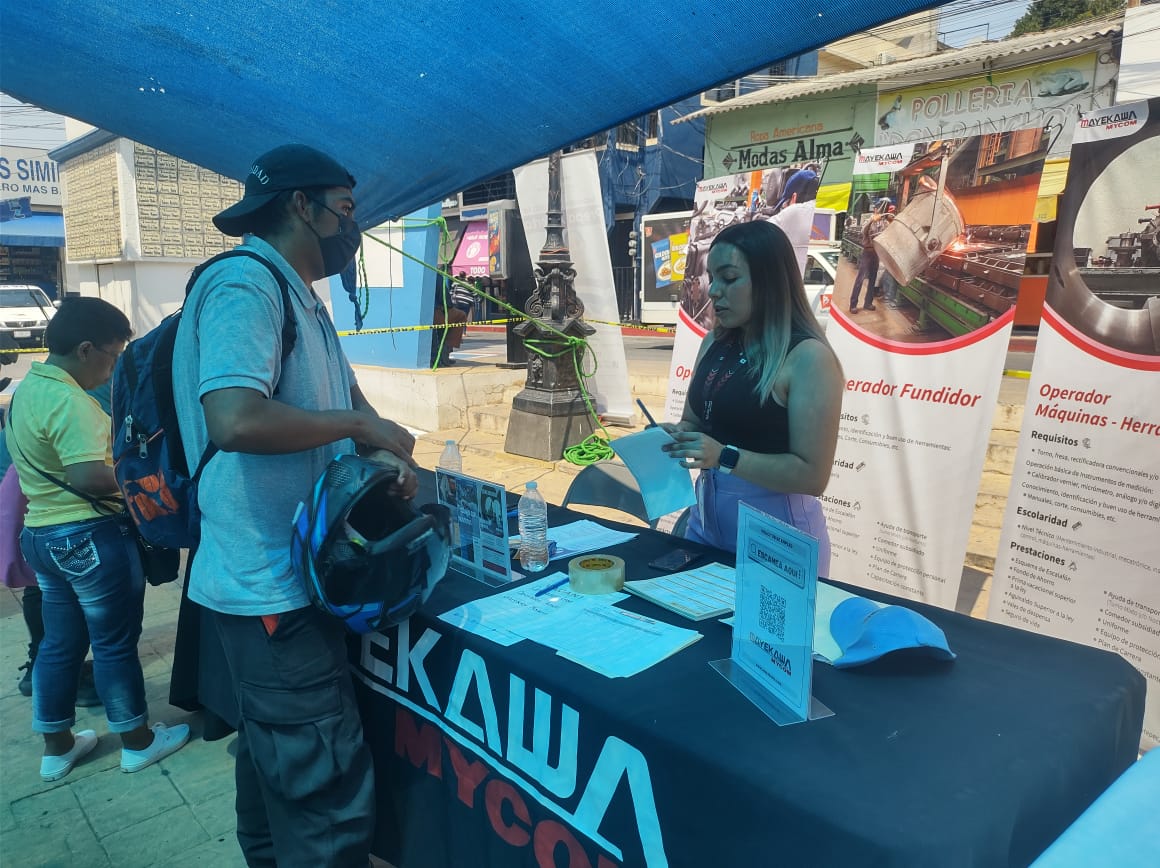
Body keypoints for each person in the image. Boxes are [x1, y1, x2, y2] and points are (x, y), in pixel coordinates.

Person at [172, 143, 417, 867]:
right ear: (299, 206)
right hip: (269, 591)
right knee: (324, 793)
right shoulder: (247, 286)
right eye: (345, 209)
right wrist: (359, 425)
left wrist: (381, 451)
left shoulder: (303, 299)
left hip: (295, 576)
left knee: (275, 768)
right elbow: (235, 419)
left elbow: (347, 412)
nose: (352, 228)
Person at [7, 297, 190, 782]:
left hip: (42, 536)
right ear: (86, 349)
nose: (112, 370)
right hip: (88, 536)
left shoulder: (29, 390)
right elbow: (88, 475)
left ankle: (58, 747)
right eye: (113, 357)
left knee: (58, 644)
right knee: (114, 642)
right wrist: (144, 481)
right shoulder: (70, 401)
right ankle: (138, 742)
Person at [661, 221, 843, 576]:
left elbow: (812, 476)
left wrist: (724, 456)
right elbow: (694, 422)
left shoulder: (808, 358)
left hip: (778, 543)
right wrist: (677, 436)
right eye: (712, 278)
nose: (714, 291)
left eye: (729, 278)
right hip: (705, 526)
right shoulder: (714, 342)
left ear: (769, 282)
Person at [849, 198, 893, 313]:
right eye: (880, 208)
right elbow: (863, 231)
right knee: (860, 279)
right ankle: (853, 304)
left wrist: (892, 223)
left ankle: (868, 303)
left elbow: (888, 235)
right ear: (875, 209)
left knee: (873, 279)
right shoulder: (869, 219)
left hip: (876, 253)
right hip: (867, 253)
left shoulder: (885, 223)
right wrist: (871, 221)